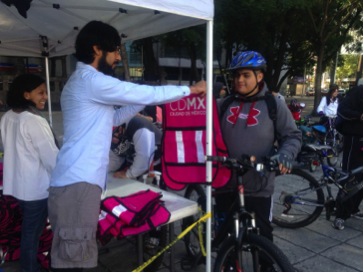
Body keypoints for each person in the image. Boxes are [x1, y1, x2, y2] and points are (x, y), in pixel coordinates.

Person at [47, 20, 206, 271]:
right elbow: (144, 93)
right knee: (75, 262)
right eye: (115, 51)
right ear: (97, 49)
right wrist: (191, 89)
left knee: (76, 255)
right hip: (77, 186)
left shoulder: (82, 82)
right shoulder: (91, 81)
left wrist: (138, 103)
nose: (118, 58)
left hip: (75, 185)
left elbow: (114, 118)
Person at [216, 51, 302, 241]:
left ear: (259, 76)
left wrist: (286, 154)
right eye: (236, 75)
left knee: (263, 239)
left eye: (246, 75)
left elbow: (292, 136)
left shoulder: (273, 104)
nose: (239, 80)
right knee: (225, 238)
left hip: (259, 184)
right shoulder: (224, 104)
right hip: (225, 182)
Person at [0, 74, 59, 271]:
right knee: (31, 235)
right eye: (40, 92)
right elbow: (52, 160)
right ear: (26, 95)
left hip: (17, 187)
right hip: (37, 190)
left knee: (29, 232)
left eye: (46, 92)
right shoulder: (33, 121)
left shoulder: (8, 116)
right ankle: (29, 268)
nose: (46, 97)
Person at [332, 84, 363, 230]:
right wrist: (360, 116)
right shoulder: (359, 91)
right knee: (350, 176)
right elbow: (342, 110)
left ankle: (353, 208)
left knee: (362, 178)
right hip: (355, 140)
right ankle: (340, 214)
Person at [109, 115, 162, 179]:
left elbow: (144, 155)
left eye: (114, 134)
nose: (114, 140)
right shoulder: (115, 132)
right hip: (136, 165)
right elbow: (115, 158)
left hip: (159, 165)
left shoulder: (138, 126)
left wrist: (128, 174)